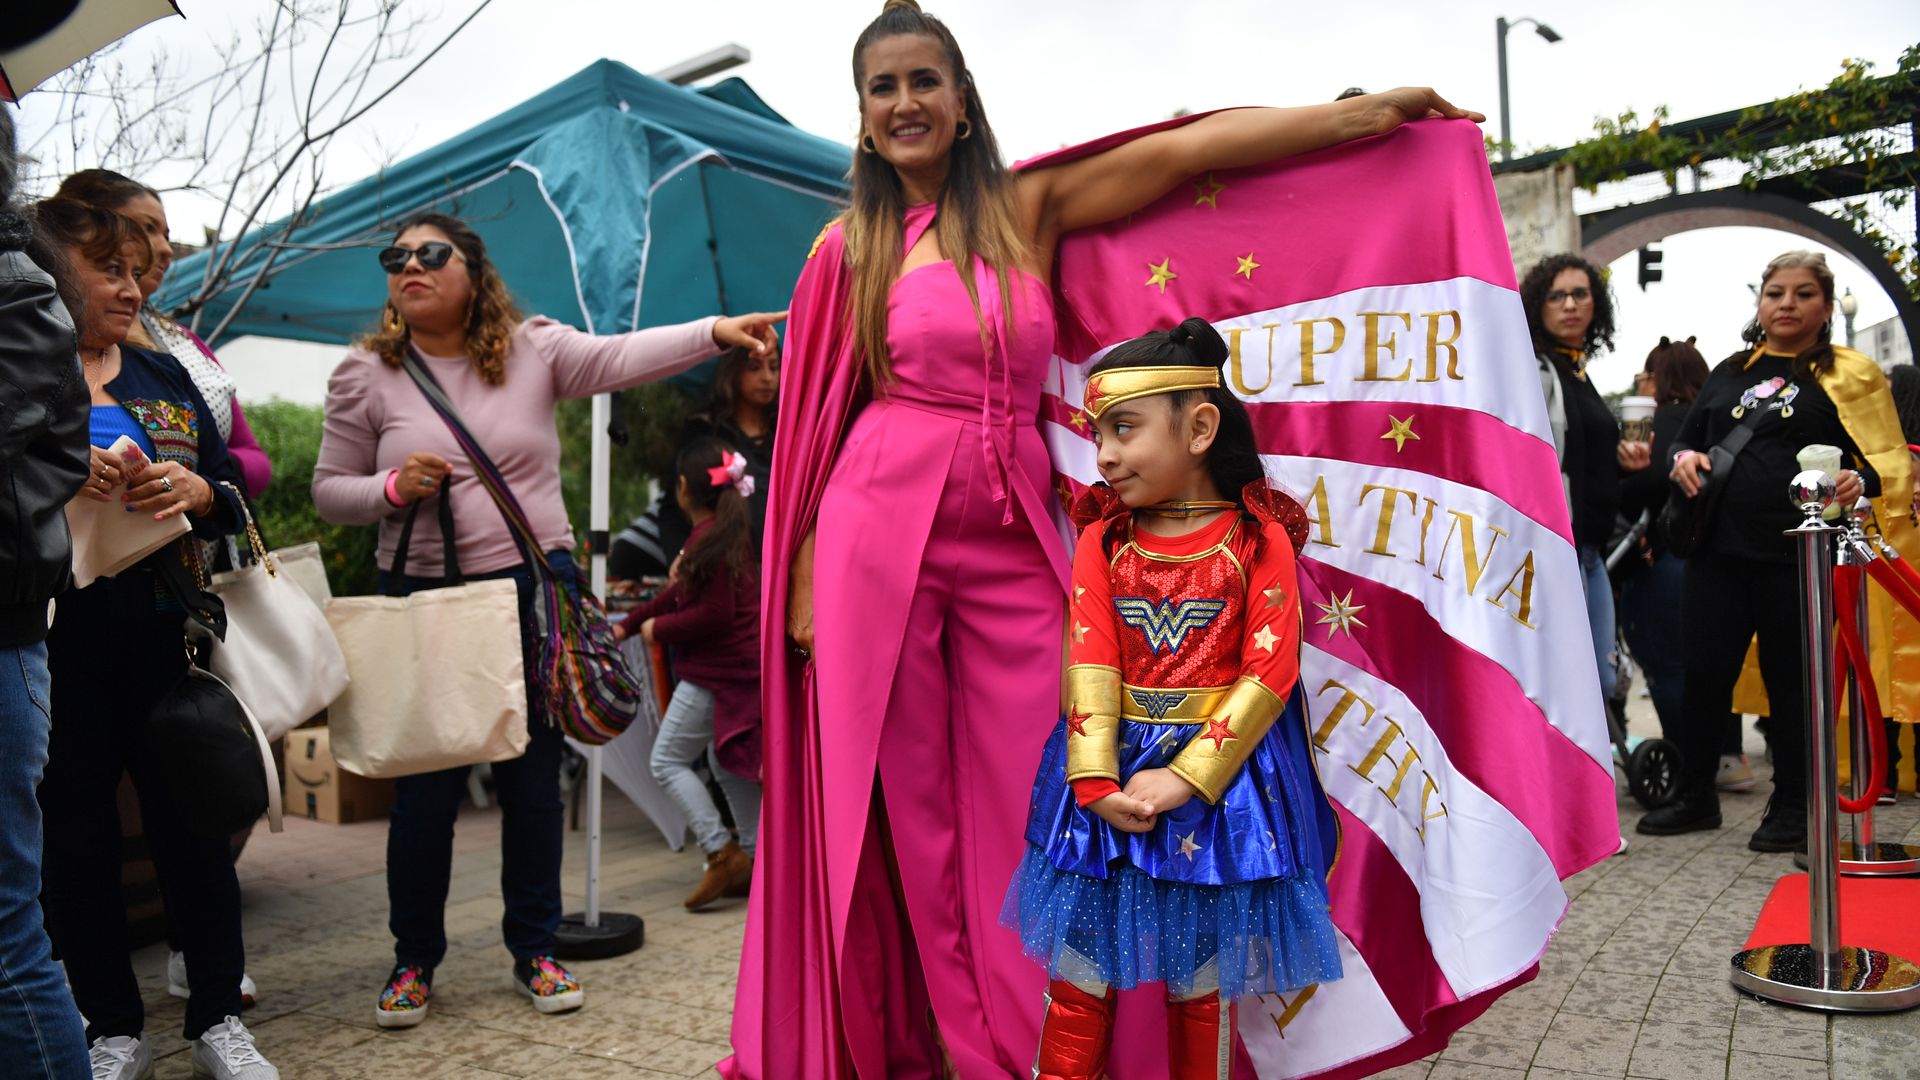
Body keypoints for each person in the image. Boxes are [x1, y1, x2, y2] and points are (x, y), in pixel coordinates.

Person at [737, 2, 1480, 1074]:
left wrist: (1363, 117)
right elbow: (818, 424)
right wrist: (802, 568)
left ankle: (1046, 1039)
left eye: (924, 81)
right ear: (862, 117)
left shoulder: (1025, 207)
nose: (906, 103)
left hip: (1011, 530)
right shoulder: (845, 249)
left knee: (1044, 787)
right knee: (911, 814)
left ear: (961, 99)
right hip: (873, 532)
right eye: (882, 87)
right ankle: (968, 1051)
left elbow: (1181, 155)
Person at [312, 212, 781, 1029]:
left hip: (530, 600)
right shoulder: (365, 375)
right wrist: (391, 490)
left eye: (432, 254)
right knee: (426, 795)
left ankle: (535, 948)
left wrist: (714, 331)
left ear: (474, 271)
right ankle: (412, 962)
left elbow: (620, 356)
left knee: (533, 787)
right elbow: (328, 491)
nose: (410, 266)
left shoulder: (532, 349)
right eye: (396, 257)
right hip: (428, 606)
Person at [1001, 319, 1340, 1078]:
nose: (1106, 455)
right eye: (1098, 435)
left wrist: (1186, 777)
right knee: (1079, 980)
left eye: (1123, 428)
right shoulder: (1106, 540)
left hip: (1217, 797)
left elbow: (1270, 672)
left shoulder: (1259, 540)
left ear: (1200, 426)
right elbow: (1089, 658)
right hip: (1107, 784)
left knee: (1202, 991)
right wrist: (1093, 780)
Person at [29, 197, 272, 1080]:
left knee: (193, 826)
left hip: (166, 629)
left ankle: (216, 1018)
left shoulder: (163, 374)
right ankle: (110, 1026)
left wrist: (198, 493)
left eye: (138, 271)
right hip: (51, 636)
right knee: (76, 838)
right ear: (57, 275)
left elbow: (228, 482)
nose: (134, 290)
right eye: (113, 271)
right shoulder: (23, 374)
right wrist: (55, 467)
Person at [1638, 251, 1900, 852]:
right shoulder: (1732, 370)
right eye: (1775, 292)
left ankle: (1791, 807)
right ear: (1760, 303)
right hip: (1716, 553)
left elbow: (1883, 462)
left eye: (1803, 293)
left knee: (1794, 685)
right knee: (1704, 675)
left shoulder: (1851, 375)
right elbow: (1686, 437)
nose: (1787, 303)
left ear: (1826, 306)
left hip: (1799, 558)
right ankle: (1695, 793)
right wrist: (1684, 459)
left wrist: (1861, 479)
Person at [0, 108, 93, 1080]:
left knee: (6, 941)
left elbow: (247, 470)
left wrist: (197, 483)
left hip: (15, 638)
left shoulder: (15, 294)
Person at [54, 170, 272, 498]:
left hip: (188, 542)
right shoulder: (28, 356)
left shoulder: (179, 346)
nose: (165, 249)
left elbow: (249, 461)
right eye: (147, 228)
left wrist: (201, 487)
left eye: (166, 234)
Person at [616, 437, 764, 910]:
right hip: (738, 671)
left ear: (683, 488)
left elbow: (713, 614)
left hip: (714, 674)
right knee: (727, 761)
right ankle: (757, 862)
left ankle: (721, 852)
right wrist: (632, 621)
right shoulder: (719, 536)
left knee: (667, 761)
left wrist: (659, 628)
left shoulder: (710, 541)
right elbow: (678, 594)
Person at [1522, 254, 1631, 711]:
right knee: (1567, 684)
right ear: (1538, 305)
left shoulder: (1579, 373)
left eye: (1580, 294)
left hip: (1592, 553)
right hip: (1555, 550)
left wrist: (1625, 459)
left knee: (1601, 681)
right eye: (1557, 295)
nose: (1570, 305)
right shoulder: (1532, 371)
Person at [1614, 337, 1708, 745]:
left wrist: (1624, 475)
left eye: (1644, 376)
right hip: (1718, 562)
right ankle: (1726, 755)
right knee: (1709, 665)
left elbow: (1642, 491)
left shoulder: (1660, 425)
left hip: (1665, 558)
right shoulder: (1715, 417)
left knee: (1668, 665)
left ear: (1658, 378)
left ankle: (1686, 761)